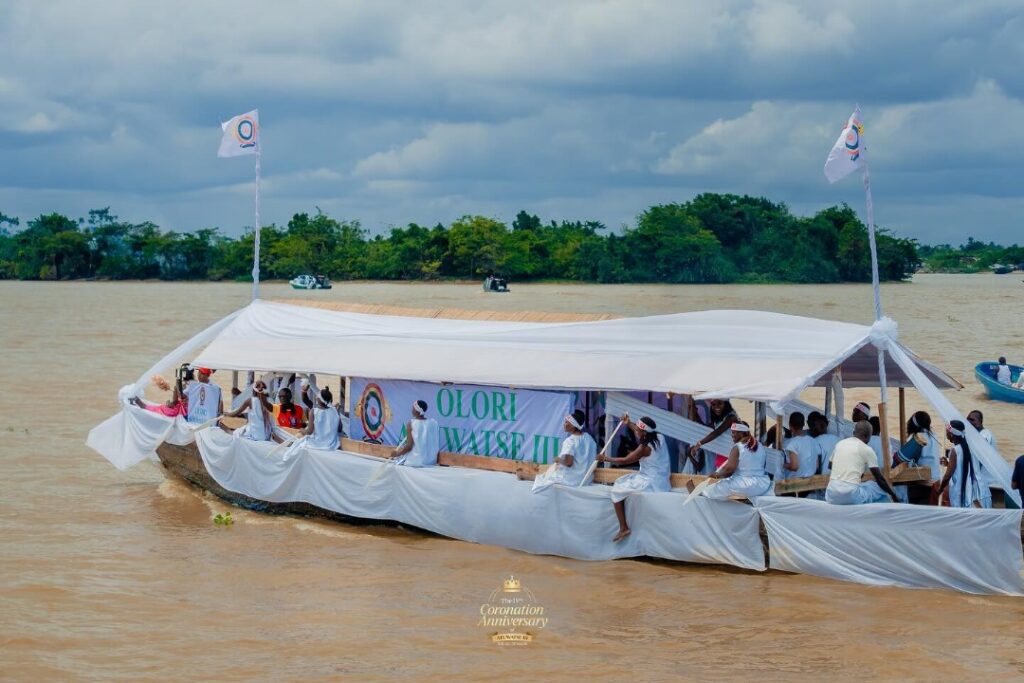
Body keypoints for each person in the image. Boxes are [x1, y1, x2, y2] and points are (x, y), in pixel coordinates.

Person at [597, 415, 670, 543]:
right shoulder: (659, 437)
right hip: (662, 479)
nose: (635, 431)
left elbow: (625, 460)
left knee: (616, 490)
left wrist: (605, 458)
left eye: (637, 430)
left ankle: (623, 528)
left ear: (644, 433)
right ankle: (623, 527)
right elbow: (640, 430)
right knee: (622, 480)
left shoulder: (644, 448)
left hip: (651, 482)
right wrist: (628, 423)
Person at [824, 421, 900, 505]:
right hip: (850, 495)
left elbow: (830, 465)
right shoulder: (867, 449)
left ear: (853, 432)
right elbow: (879, 479)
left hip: (831, 494)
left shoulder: (840, 444)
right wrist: (893, 495)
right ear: (868, 436)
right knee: (878, 488)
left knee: (865, 485)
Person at [701, 423, 773, 499]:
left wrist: (716, 475)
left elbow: (729, 471)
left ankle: (702, 494)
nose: (732, 435)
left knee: (713, 489)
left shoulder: (737, 448)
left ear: (741, 433)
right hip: (763, 485)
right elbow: (763, 466)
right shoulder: (760, 446)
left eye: (733, 432)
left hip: (746, 485)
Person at [532, 409, 597, 492]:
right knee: (548, 474)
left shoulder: (570, 441)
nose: (564, 424)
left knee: (543, 478)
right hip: (586, 479)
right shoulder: (589, 438)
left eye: (566, 422)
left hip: (572, 480)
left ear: (573, 425)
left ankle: (523, 476)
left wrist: (558, 459)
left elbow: (569, 463)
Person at [936, 420, 989, 508]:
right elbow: (966, 464)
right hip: (981, 491)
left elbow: (948, 475)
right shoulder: (970, 446)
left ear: (951, 434)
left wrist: (940, 489)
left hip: (967, 495)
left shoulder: (955, 450)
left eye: (947, 432)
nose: (946, 434)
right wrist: (948, 463)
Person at [687, 398, 739, 473]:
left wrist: (699, 444)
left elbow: (716, 433)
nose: (716, 407)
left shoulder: (731, 418)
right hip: (721, 455)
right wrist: (694, 410)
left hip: (731, 456)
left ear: (726, 404)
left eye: (720, 404)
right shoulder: (718, 420)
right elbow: (705, 429)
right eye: (713, 404)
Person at [391, 400, 440, 467]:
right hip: (431, 461)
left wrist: (397, 454)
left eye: (413, 409)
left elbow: (409, 447)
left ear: (416, 411)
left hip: (415, 462)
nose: (412, 411)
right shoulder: (434, 423)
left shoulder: (411, 424)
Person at [783, 413, 822, 480]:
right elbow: (817, 466)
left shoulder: (792, 443)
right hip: (810, 480)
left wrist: (784, 465)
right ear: (803, 424)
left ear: (790, 426)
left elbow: (794, 467)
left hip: (795, 482)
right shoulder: (813, 441)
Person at [301, 386, 340, 451]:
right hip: (332, 445)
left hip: (316, 445)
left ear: (319, 399)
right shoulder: (335, 410)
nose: (316, 397)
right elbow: (339, 428)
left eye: (317, 396)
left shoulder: (313, 411)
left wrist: (301, 430)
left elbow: (309, 432)